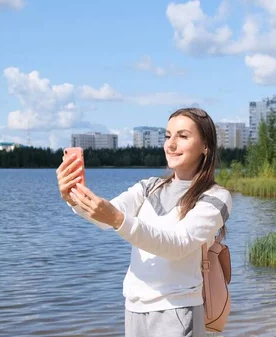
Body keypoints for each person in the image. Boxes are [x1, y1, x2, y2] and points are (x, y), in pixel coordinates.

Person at [56, 108, 232, 337]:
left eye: (183, 136)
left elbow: (178, 244)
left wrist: (117, 219)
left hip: (178, 309)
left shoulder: (216, 196)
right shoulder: (149, 186)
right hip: (135, 307)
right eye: (168, 136)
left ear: (205, 146)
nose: (171, 144)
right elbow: (105, 218)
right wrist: (74, 198)